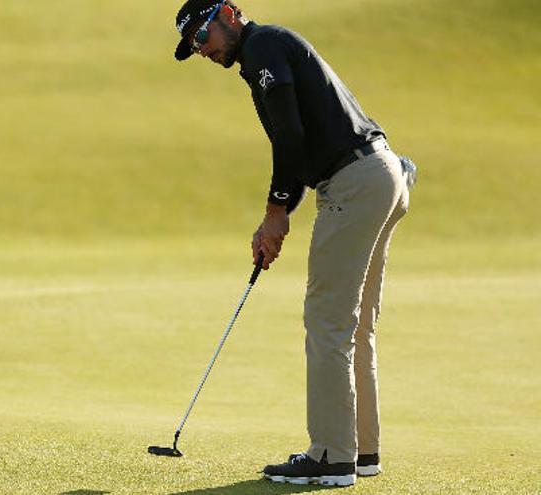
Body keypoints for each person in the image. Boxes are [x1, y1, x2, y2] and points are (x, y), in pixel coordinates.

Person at [172, 0, 416, 487]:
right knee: (355, 326)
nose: (201, 50)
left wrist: (275, 212)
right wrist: (279, 216)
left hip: (355, 182)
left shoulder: (263, 46)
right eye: (193, 45)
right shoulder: (268, 50)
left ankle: (331, 455)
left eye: (202, 36)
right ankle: (361, 451)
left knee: (327, 322)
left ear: (229, 13)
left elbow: (288, 136)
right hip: (381, 174)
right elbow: (300, 147)